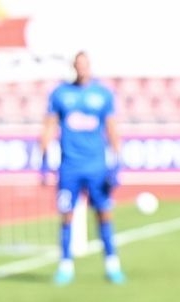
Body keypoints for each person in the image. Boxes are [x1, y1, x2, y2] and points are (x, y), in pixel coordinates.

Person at [40, 51, 124, 287]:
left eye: (85, 64)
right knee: (66, 215)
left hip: (97, 166)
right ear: (74, 67)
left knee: (104, 213)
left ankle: (112, 265)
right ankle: (65, 266)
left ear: (90, 66)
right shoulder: (60, 94)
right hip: (69, 167)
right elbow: (48, 127)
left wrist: (117, 162)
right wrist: (44, 162)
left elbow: (112, 128)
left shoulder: (102, 94)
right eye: (78, 64)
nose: (82, 68)